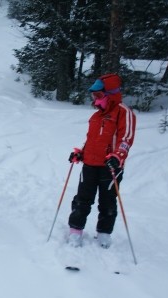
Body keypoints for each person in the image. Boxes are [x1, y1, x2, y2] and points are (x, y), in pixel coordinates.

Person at [67, 73, 136, 248]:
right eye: (93, 95)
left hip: (110, 166)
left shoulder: (123, 112)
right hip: (90, 164)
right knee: (82, 199)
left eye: (98, 95)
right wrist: (81, 153)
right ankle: (75, 231)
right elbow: (92, 140)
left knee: (107, 202)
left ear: (110, 94)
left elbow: (126, 139)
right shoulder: (96, 116)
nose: (95, 99)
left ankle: (104, 234)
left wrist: (117, 156)